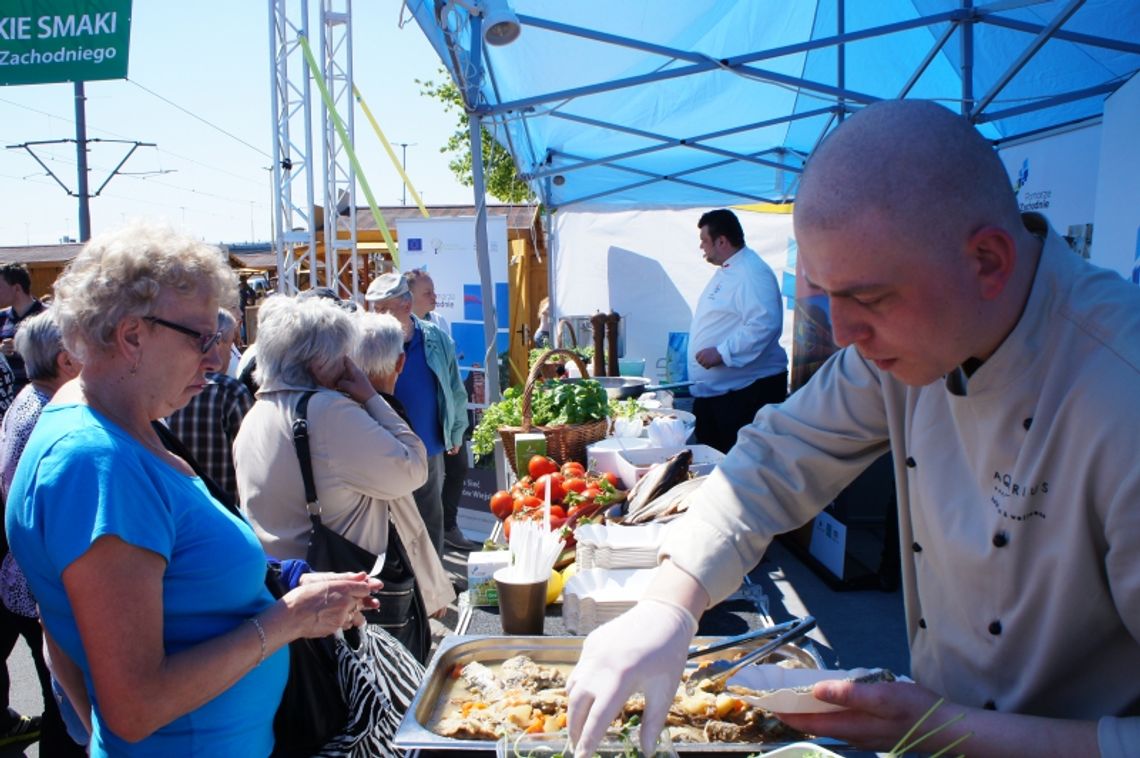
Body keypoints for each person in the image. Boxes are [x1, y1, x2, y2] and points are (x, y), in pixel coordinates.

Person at [566, 100, 1140, 758]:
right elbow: (771, 460)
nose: (842, 335)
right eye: (827, 295)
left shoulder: (1121, 390)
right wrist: (669, 604)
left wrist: (945, 728)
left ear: (987, 261)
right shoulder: (902, 352)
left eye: (868, 298)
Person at [4, 222, 378, 757]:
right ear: (132, 335)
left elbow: (60, 628)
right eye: (201, 338)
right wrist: (290, 618)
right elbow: (133, 708)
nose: (216, 358)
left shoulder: (108, 420)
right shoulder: (97, 461)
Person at [233, 295, 453, 613]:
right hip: (338, 599)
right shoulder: (328, 411)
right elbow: (414, 467)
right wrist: (370, 396)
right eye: (343, 354)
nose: (349, 363)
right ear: (319, 362)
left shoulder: (256, 414)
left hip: (280, 593)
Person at [0, 310, 83, 754]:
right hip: (39, 586)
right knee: (66, 709)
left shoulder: (30, 399)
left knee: (62, 706)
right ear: (66, 360)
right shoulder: (48, 411)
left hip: (25, 579)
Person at [365, 272, 468, 558]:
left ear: (406, 306)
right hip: (382, 447)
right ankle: (405, 589)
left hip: (427, 446)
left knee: (429, 519)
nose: (376, 316)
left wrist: (456, 431)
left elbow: (454, 388)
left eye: (384, 309)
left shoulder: (435, 338)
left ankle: (434, 585)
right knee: (390, 522)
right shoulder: (367, 341)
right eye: (373, 309)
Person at [687, 208, 788, 453]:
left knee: (741, 467)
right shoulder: (729, 270)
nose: (701, 247)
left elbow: (764, 323)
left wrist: (721, 351)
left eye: (704, 240)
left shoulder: (752, 272)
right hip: (721, 396)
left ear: (722, 241)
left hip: (745, 396)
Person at [404, 269, 479, 551]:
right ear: (408, 298)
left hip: (443, 418)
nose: (435, 297)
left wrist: (457, 425)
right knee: (423, 495)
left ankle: (448, 527)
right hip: (418, 429)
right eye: (428, 293)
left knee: (458, 469)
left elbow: (451, 379)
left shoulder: (438, 324)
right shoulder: (393, 334)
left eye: (434, 291)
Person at [165, 309, 254, 504]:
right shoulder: (230, 393)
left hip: (179, 508)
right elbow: (253, 460)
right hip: (227, 510)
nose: (231, 356)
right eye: (231, 345)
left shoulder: (166, 387)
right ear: (217, 342)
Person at [0, 263, 47, 392]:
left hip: (41, 393)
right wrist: (1, 351)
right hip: (7, 397)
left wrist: (25, 345)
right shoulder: (2, 317)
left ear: (16, 288)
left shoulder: (47, 316)